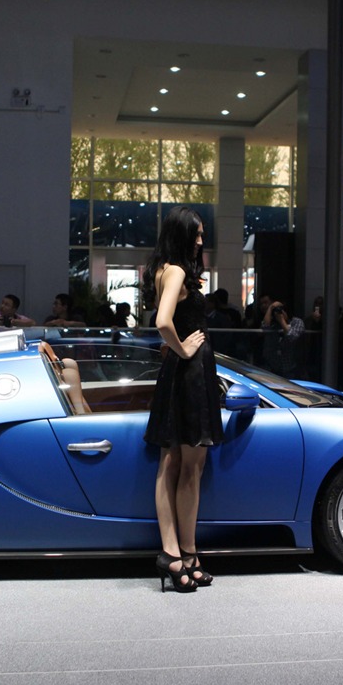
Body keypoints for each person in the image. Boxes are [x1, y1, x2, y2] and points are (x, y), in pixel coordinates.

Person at [143, 206, 222, 593]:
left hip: (183, 374)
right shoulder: (175, 270)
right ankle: (178, 555)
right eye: (196, 234)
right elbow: (162, 321)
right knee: (186, 466)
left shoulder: (167, 270)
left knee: (175, 464)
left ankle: (181, 555)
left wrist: (176, 351)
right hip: (188, 374)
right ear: (180, 235)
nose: (201, 240)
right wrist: (183, 350)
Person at [260, 299, 305, 378]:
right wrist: (271, 308)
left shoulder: (297, 322)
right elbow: (264, 327)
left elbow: (292, 336)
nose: (278, 314)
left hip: (291, 368)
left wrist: (282, 321)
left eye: (281, 311)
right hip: (273, 368)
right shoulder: (273, 323)